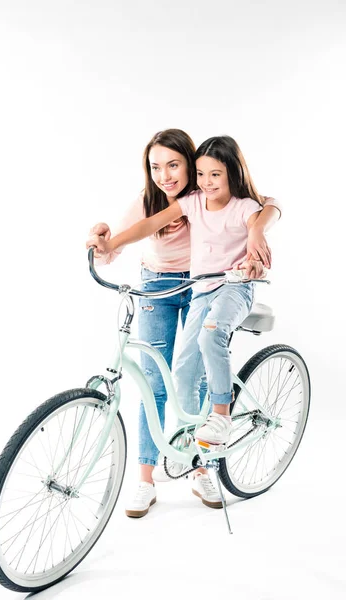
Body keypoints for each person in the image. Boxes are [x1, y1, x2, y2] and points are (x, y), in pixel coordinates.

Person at [87, 131, 280, 517]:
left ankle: (202, 465)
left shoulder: (210, 192)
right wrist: (102, 241)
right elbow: (129, 233)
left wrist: (257, 232)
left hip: (206, 284)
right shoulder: (166, 201)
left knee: (197, 375)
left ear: (192, 166)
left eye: (174, 165)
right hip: (159, 283)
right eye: (155, 167)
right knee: (155, 381)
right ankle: (145, 479)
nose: (165, 175)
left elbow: (267, 204)